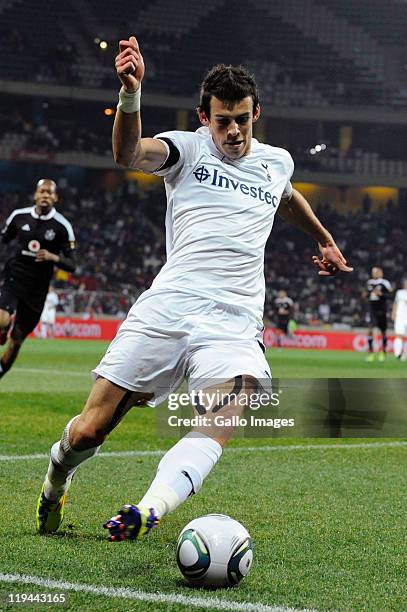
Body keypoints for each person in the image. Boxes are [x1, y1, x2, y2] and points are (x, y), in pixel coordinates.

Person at [36, 36, 352, 538]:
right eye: (222, 120)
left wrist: (327, 241)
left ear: (256, 115)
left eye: (242, 120)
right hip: (169, 308)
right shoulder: (185, 149)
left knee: (232, 405)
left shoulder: (276, 161)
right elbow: (127, 153)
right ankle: (57, 478)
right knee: (91, 429)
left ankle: (150, 508)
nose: (233, 130)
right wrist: (131, 95)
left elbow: (287, 198)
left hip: (235, 324)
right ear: (204, 117)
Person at [0, 179, 76, 378]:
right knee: (2, 319)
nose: (45, 196)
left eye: (50, 193)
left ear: (56, 198)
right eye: (42, 192)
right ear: (35, 195)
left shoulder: (62, 226)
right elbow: (3, 240)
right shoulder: (18, 216)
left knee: (16, 340)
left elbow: (72, 264)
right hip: (15, 276)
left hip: (38, 288)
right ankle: (3, 327)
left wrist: (53, 257)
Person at [365, 266, 392, 362]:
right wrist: (366, 295)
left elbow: (390, 295)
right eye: (373, 272)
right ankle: (371, 353)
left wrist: (381, 294)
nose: (374, 273)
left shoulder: (384, 283)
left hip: (382, 310)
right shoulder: (369, 282)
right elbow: (367, 294)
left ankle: (383, 352)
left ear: (380, 273)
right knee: (370, 330)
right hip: (372, 310)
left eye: (376, 272)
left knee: (383, 332)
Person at [391, 277, 407, 361]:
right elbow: (395, 303)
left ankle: (405, 354)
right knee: (399, 335)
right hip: (400, 317)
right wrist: (393, 313)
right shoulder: (399, 292)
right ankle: (397, 354)